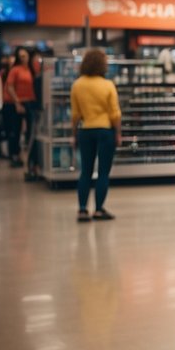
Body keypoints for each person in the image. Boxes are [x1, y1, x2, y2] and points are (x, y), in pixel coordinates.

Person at [70, 48, 122, 221]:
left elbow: (75, 114)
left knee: (85, 171)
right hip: (105, 131)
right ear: (101, 64)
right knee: (103, 172)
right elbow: (115, 113)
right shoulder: (107, 85)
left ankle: (82, 210)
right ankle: (99, 209)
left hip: (85, 131)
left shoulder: (77, 85)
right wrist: (118, 133)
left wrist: (74, 135)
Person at [5, 47, 40, 178]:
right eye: (21, 56)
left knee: (32, 133)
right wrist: (17, 102)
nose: (23, 58)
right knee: (16, 130)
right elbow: (10, 86)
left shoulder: (32, 69)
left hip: (31, 102)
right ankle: (15, 155)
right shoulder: (15, 70)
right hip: (19, 102)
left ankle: (32, 162)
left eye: (25, 56)